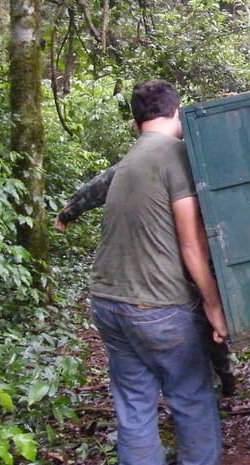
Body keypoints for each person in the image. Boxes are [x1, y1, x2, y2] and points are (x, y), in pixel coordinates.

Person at [89, 80, 228, 465]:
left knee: (134, 405)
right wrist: (212, 302)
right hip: (159, 307)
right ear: (177, 111)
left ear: (136, 124)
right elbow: (192, 242)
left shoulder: (128, 161)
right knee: (190, 393)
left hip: (107, 303)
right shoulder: (175, 156)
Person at [56, 164, 238, 398]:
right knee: (203, 316)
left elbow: (104, 182)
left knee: (202, 316)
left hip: (186, 251)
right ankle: (220, 378)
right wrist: (70, 210)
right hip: (186, 252)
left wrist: (69, 211)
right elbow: (104, 183)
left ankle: (218, 379)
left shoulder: (160, 160)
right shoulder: (172, 158)